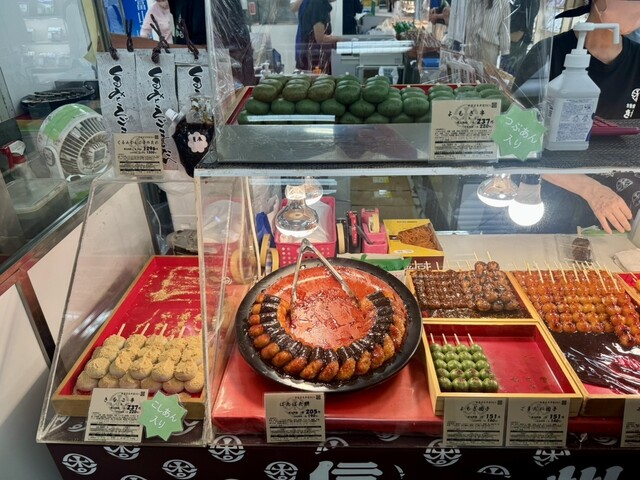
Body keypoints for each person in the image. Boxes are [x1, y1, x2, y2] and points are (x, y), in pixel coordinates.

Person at [514, 0, 640, 234]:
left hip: (616, 214)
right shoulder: (548, 54)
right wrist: (591, 190)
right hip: (544, 205)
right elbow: (517, 138)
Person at [298, 0, 344, 73]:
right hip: (315, 58)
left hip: (311, 55)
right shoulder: (318, 5)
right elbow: (320, 38)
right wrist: (341, 39)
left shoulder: (315, 3)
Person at [464, 0, 511, 67]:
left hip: (490, 50)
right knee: (470, 72)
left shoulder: (503, 3)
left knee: (487, 73)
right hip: (472, 46)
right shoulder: (473, 1)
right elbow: (468, 24)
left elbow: (504, 31)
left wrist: (505, 53)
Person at [501, 0, 540, 75]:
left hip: (517, 37)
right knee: (506, 71)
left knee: (509, 72)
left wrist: (519, 32)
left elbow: (525, 17)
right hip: (516, 37)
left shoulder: (531, 2)